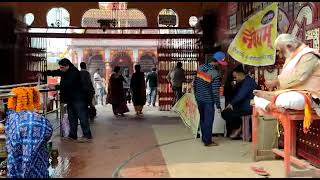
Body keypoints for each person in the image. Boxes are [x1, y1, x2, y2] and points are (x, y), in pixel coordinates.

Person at [253, 34, 320, 127]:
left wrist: (277, 82)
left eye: (280, 50)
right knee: (256, 98)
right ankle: (272, 105)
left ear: (289, 46)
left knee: (285, 99)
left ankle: (273, 100)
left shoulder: (309, 55)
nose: (278, 54)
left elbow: (299, 77)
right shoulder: (291, 58)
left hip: (311, 95)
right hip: (295, 92)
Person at [44, 58, 92, 143]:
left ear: (67, 66)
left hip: (79, 99)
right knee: (71, 118)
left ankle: (87, 135)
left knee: (82, 117)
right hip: (70, 99)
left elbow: (68, 85)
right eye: (60, 67)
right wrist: (44, 73)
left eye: (62, 67)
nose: (61, 69)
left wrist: (55, 87)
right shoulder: (65, 71)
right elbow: (56, 72)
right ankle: (73, 135)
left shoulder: (74, 73)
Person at [193, 51, 227, 146]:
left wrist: (196, 96)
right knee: (208, 121)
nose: (220, 66)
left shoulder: (201, 68)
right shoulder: (215, 73)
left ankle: (204, 138)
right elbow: (215, 92)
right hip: (208, 100)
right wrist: (218, 105)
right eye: (220, 64)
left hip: (199, 99)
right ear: (217, 62)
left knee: (203, 119)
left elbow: (195, 83)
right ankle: (207, 141)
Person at [221, 65, 258, 139]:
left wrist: (231, 104)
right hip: (242, 105)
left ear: (240, 74)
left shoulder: (248, 82)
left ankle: (238, 128)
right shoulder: (241, 82)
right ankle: (238, 127)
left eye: (235, 77)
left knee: (227, 113)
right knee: (225, 112)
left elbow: (241, 95)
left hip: (248, 106)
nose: (235, 79)